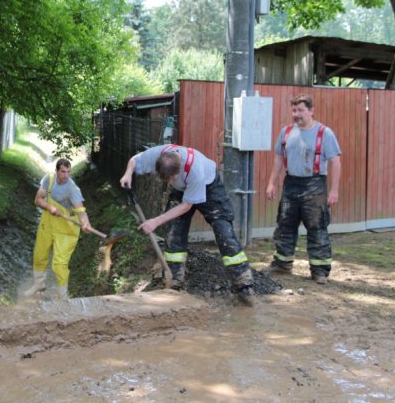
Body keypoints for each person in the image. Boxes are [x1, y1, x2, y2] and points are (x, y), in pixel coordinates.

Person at [119, 144, 256, 306]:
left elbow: (186, 206)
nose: (169, 181)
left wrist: (155, 221)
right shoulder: (160, 155)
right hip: (181, 191)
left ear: (179, 170)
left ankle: (243, 284)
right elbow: (135, 160)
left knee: (224, 232)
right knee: (174, 233)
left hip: (210, 188)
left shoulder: (194, 170)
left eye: (171, 178)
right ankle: (174, 280)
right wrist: (128, 173)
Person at [265, 93, 341, 284]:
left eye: (300, 110)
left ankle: (320, 270)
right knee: (285, 224)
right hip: (291, 183)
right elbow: (278, 159)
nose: (296, 114)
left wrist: (334, 190)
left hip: (315, 185)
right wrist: (272, 183)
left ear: (311, 111)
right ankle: (282, 263)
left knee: (317, 227)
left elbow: (335, 161)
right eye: (294, 110)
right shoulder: (286, 132)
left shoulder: (325, 133)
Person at [24, 158, 92, 300]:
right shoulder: (48, 179)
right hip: (48, 224)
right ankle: (39, 284)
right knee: (39, 255)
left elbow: (81, 211)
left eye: (68, 172)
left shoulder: (73, 189)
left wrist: (85, 223)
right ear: (56, 171)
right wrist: (49, 207)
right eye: (63, 172)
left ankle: (63, 296)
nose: (66, 175)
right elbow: (37, 200)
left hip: (66, 230)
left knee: (59, 264)